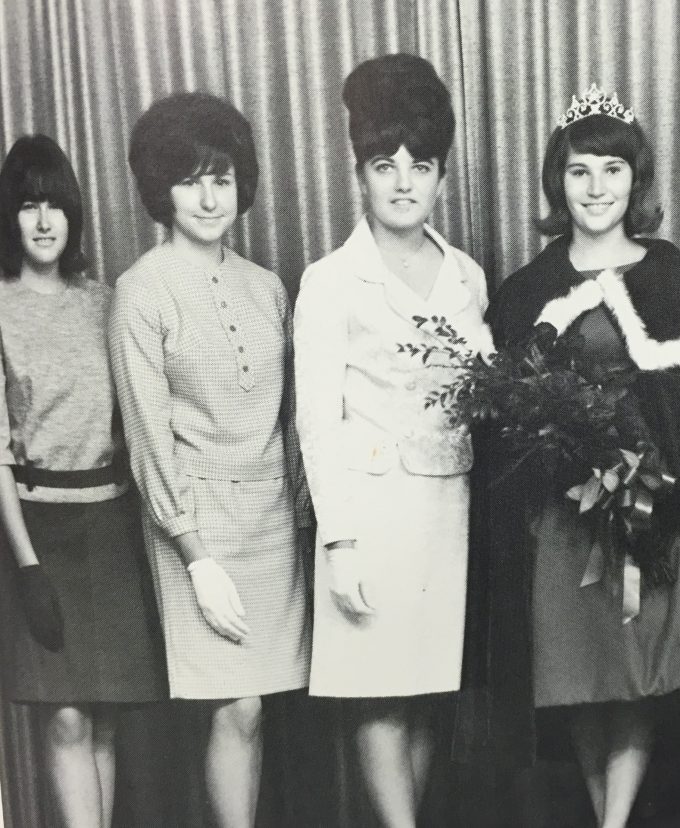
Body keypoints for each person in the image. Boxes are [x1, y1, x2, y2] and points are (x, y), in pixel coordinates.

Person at [465, 83, 680, 828]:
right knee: (580, 681)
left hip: (646, 514)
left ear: (637, 179)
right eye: (580, 170)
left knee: (635, 680)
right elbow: (502, 419)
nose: (597, 188)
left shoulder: (670, 273)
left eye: (613, 170)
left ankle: (615, 820)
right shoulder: (527, 289)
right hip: (559, 527)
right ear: (557, 180)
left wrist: (651, 476)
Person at [293, 54, 491, 828]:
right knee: (377, 695)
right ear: (360, 174)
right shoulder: (331, 281)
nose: (404, 181)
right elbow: (315, 418)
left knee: (428, 692)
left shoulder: (467, 276)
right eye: (385, 164)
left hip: (447, 511)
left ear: (442, 175)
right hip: (368, 517)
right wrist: (338, 540)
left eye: (422, 164)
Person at [108, 92, 311, 828]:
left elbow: (292, 421)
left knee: (261, 714)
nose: (208, 196)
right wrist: (193, 553)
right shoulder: (141, 291)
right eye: (191, 179)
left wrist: (301, 521)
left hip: (270, 525)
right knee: (239, 706)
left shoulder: (269, 289)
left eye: (221, 178)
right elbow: (146, 434)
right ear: (162, 189)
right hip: (194, 529)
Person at [0, 135, 165, 827]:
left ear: (74, 216)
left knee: (102, 722)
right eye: (27, 206)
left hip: (111, 527)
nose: (43, 222)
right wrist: (28, 566)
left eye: (55, 206)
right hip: (39, 533)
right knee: (65, 721)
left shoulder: (107, 301)